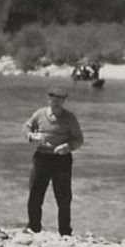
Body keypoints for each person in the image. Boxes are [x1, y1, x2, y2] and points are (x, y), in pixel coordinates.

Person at [23, 87, 84, 235]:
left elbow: (79, 139)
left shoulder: (70, 118)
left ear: (64, 101)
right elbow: (26, 127)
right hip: (41, 157)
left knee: (63, 198)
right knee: (35, 194)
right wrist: (32, 136)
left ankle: (65, 232)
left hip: (61, 159)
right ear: (48, 99)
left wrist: (68, 147)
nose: (56, 103)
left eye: (60, 100)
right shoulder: (39, 114)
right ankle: (33, 227)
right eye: (53, 100)